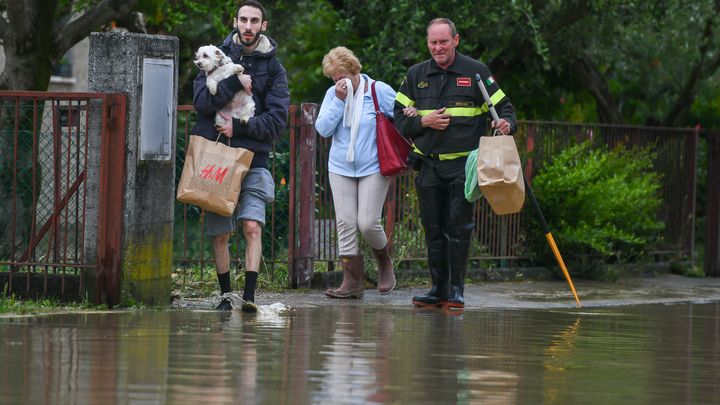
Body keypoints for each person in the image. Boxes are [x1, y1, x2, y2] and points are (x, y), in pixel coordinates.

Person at [393, 18, 517, 310]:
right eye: (433, 42)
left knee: (459, 227)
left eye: (443, 42)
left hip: (465, 166)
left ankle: (457, 291)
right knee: (433, 228)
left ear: (456, 40)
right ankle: (438, 289)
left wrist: (506, 123)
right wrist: (424, 121)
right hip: (428, 166)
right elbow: (397, 119)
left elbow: (505, 108)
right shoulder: (415, 75)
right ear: (427, 43)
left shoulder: (476, 72)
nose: (438, 47)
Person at [190, 0, 290, 312]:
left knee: (252, 227)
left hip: (253, 159)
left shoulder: (274, 69)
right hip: (217, 157)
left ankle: (249, 297)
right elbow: (201, 103)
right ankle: (224, 296)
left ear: (263, 26)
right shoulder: (214, 56)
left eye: (254, 21)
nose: (248, 26)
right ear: (236, 22)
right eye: (243, 20)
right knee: (221, 232)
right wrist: (234, 81)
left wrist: (241, 127)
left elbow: (276, 121)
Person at [314, 46, 397, 298]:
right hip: (340, 166)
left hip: (373, 165)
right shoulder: (333, 95)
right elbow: (323, 129)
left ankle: (384, 262)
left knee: (368, 222)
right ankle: (351, 282)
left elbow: (402, 116)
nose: (339, 82)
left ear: (354, 70)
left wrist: (413, 114)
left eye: (342, 76)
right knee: (346, 222)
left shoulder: (377, 90)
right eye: (334, 78)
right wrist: (339, 101)